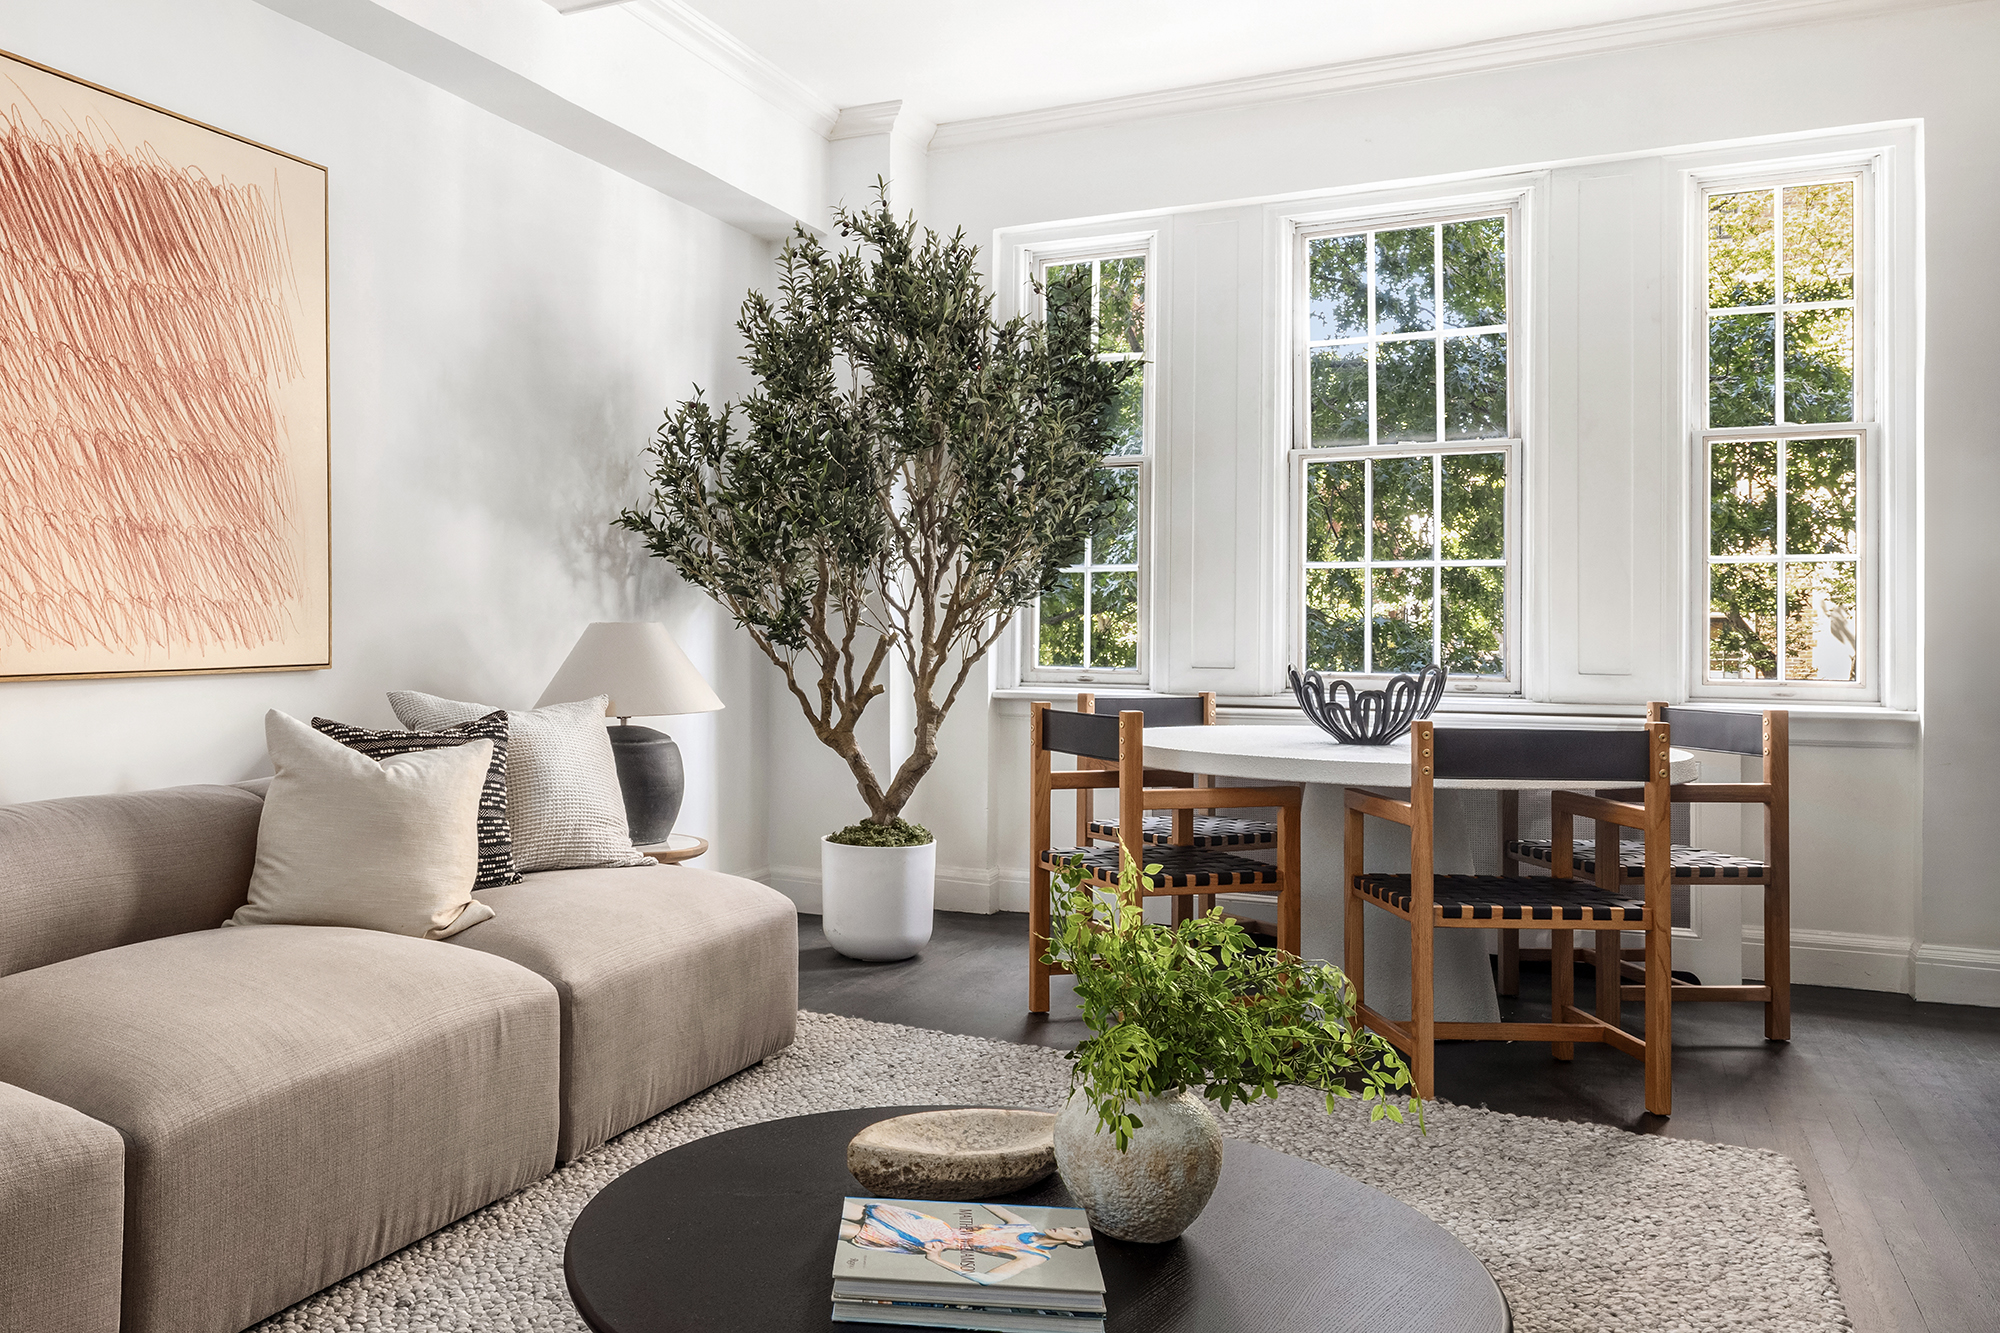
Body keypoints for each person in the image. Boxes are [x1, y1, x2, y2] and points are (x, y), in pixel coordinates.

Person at [839, 1199, 1093, 1285]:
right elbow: (988, 1201)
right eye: (1073, 1227)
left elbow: (987, 1279)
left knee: (854, 1230)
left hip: (928, 1240)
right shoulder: (1024, 1225)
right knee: (859, 1210)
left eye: (1075, 1234)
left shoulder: (1036, 1256)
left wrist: (937, 1259)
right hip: (934, 1224)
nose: (1066, 1229)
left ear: (1075, 1244)